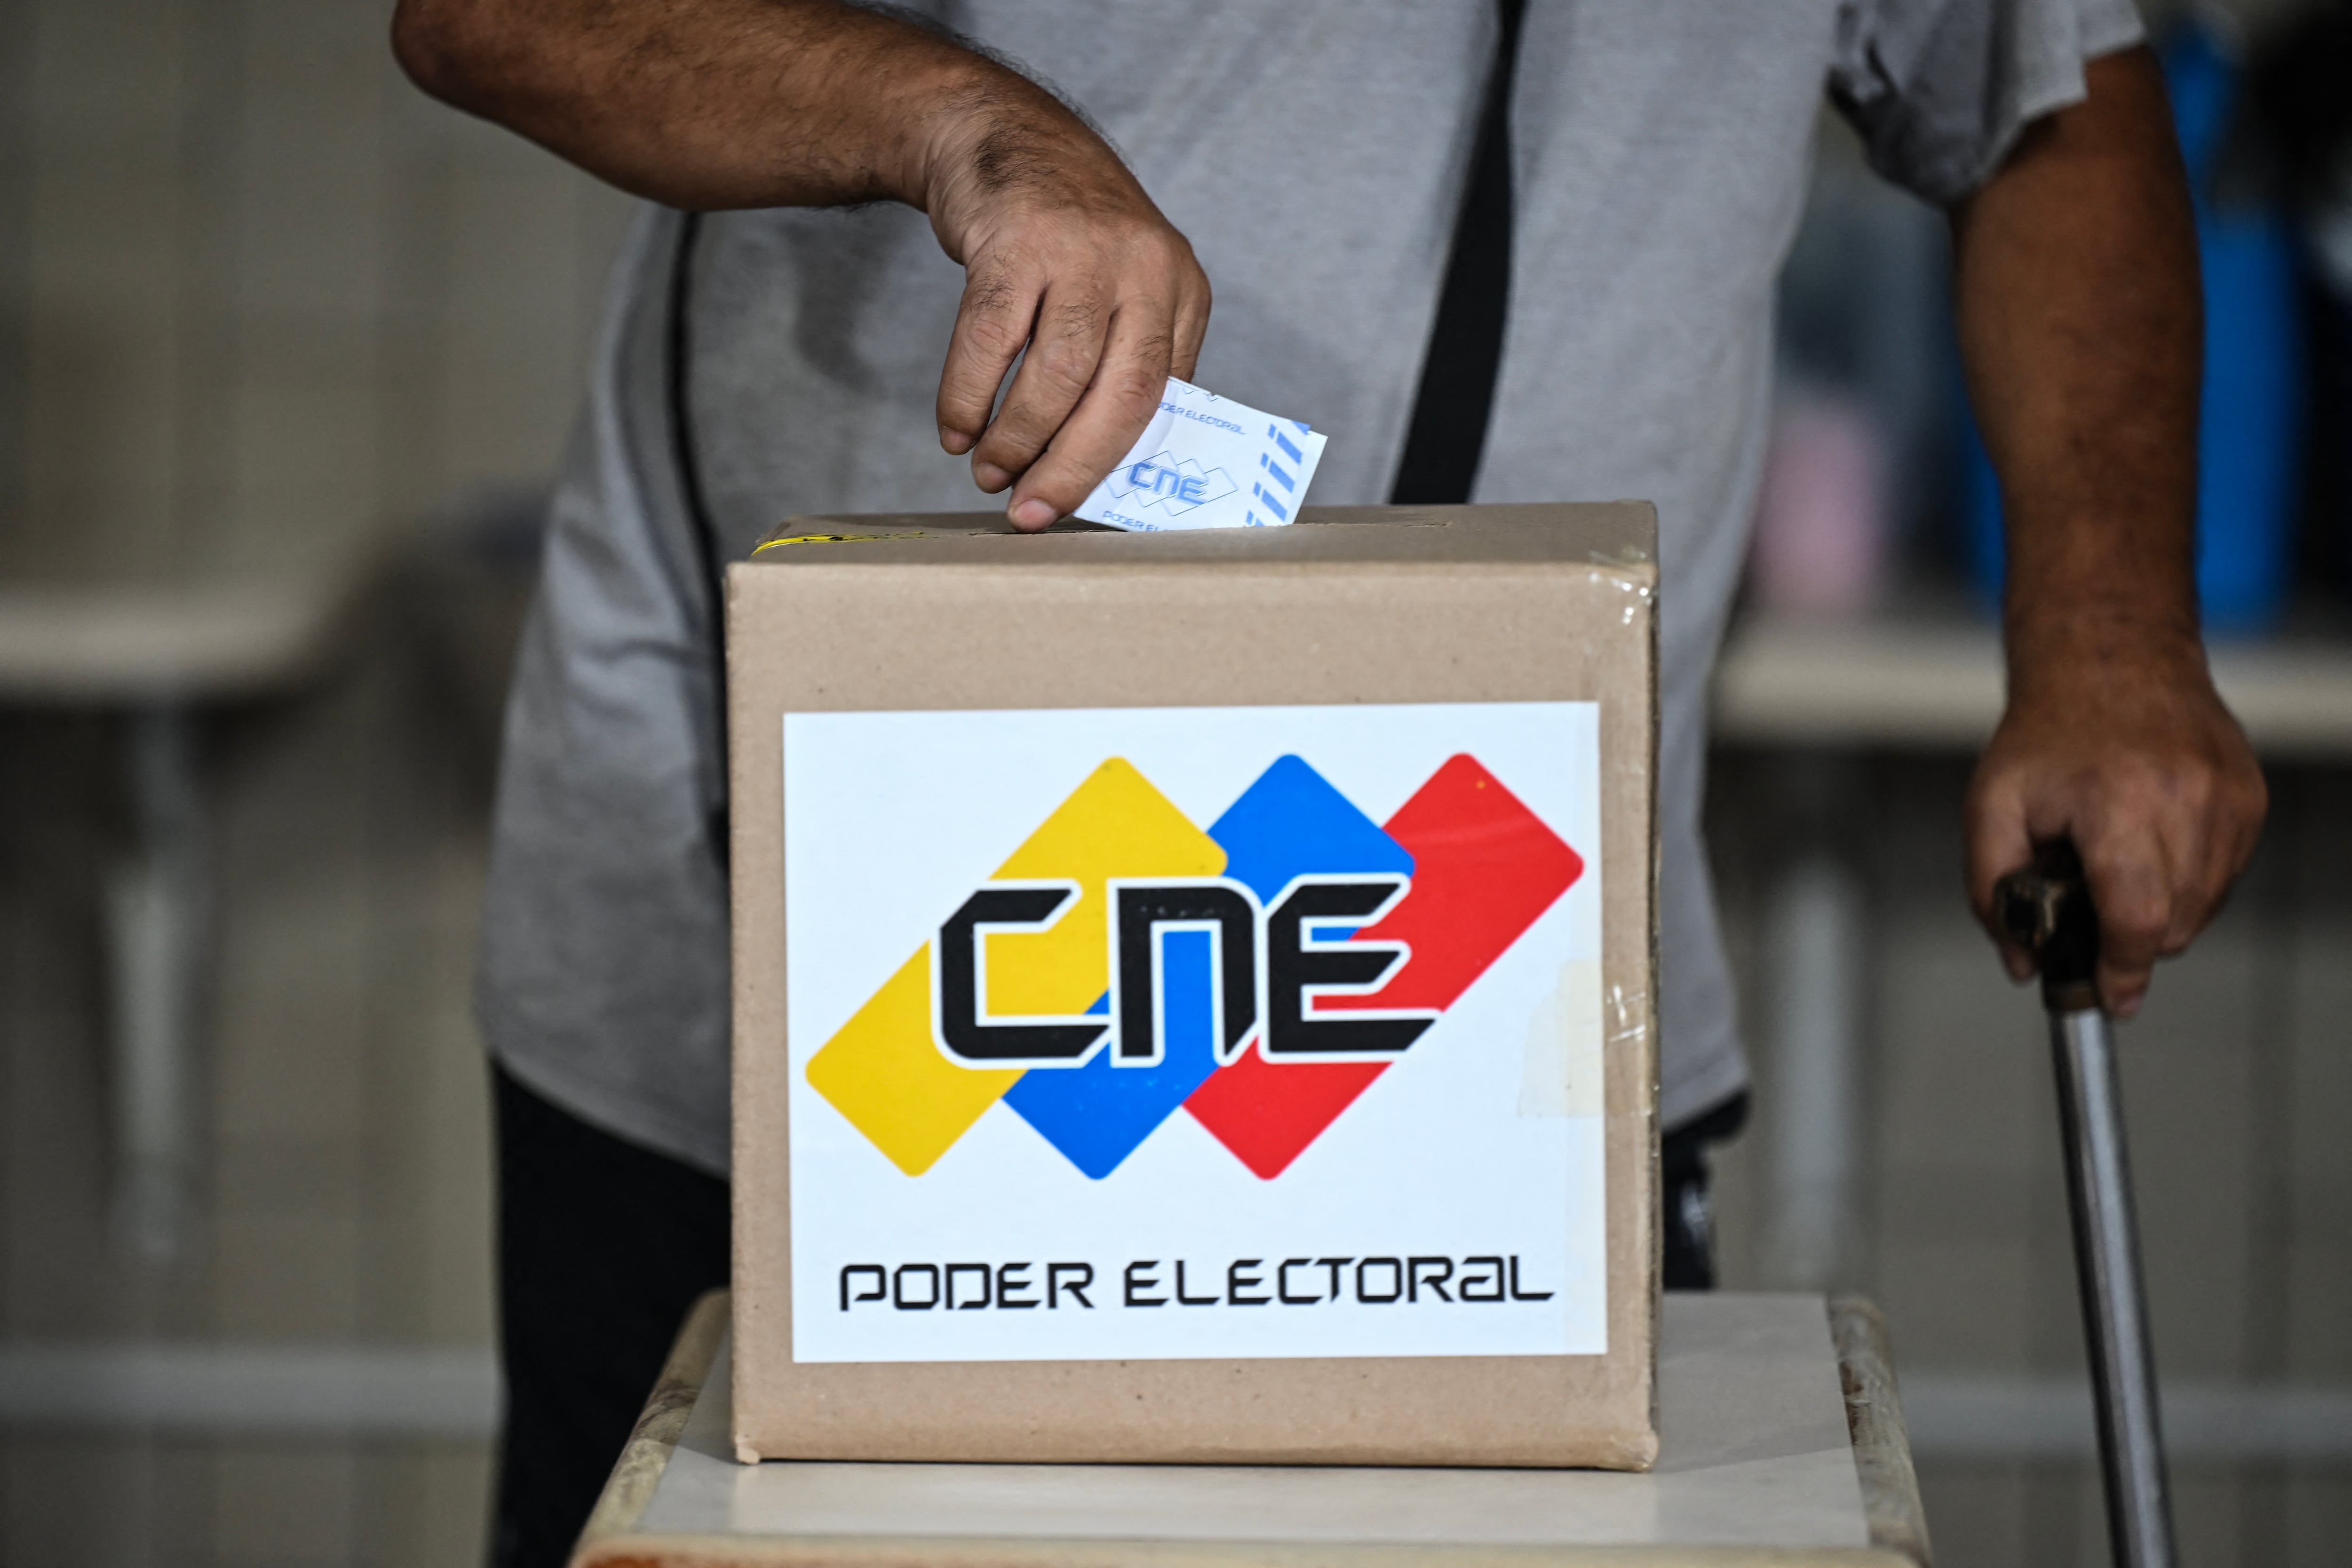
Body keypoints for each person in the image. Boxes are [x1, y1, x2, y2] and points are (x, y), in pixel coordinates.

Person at [389, 2, 2268, 1564]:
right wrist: (953, 119)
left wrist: (2106, 625)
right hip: (812, 1002)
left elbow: (2051, 107)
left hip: (1468, 976)